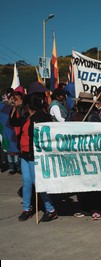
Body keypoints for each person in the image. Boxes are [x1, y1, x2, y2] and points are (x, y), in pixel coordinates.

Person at [10, 93, 58, 222]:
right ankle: (27, 208)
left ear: (27, 105)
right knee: (27, 182)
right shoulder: (26, 117)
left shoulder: (41, 117)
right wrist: (14, 108)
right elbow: (13, 122)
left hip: (34, 155)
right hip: (24, 154)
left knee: (38, 183)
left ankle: (50, 209)